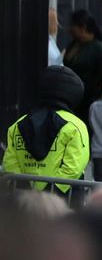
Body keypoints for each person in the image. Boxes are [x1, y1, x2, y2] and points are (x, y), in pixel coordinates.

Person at [3, 65, 90, 195]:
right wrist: (51, 192)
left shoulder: (18, 125)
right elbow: (74, 166)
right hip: (62, 200)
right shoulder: (75, 126)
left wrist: (23, 187)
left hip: (23, 199)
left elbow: (10, 162)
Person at [62, 8, 102, 119]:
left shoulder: (98, 48)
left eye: (73, 26)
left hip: (87, 98)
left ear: (83, 27)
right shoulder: (74, 45)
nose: (70, 29)